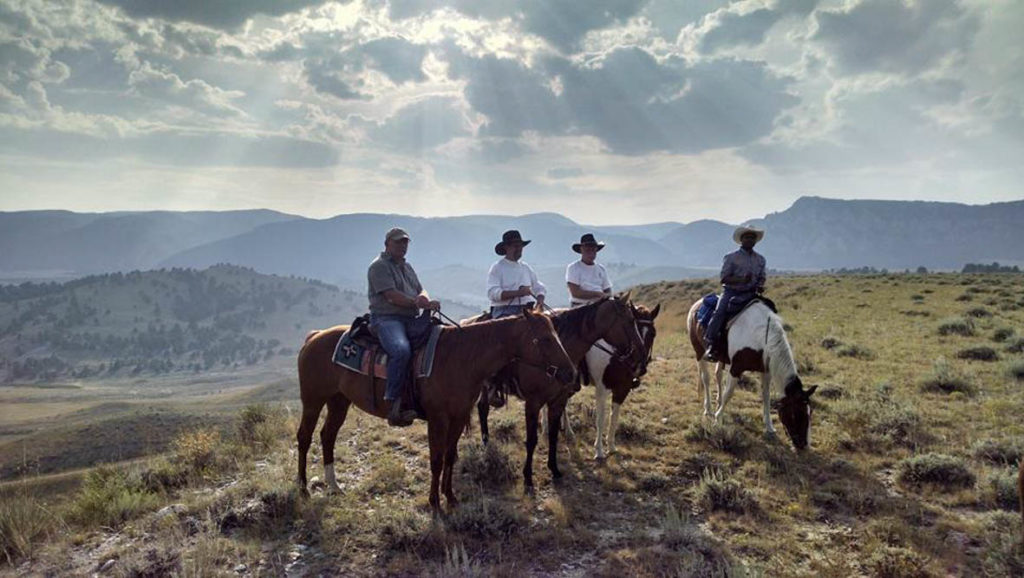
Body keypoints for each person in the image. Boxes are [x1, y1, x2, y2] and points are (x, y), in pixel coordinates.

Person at [367, 227, 440, 427]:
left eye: (405, 242)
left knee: (440, 341)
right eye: (398, 242)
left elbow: (420, 288)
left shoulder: (406, 267)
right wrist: (417, 303)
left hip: (410, 318)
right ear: (387, 244)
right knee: (401, 350)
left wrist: (424, 296)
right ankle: (393, 403)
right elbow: (391, 296)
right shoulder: (379, 266)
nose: (403, 246)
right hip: (387, 319)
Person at [703, 225, 766, 361]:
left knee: (769, 310)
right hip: (731, 292)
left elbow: (762, 277)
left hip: (751, 294)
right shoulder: (731, 257)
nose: (750, 240)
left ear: (755, 241)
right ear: (741, 240)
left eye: (752, 238)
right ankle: (711, 344)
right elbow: (723, 278)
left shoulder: (760, 259)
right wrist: (741, 279)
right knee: (720, 312)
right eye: (747, 237)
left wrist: (760, 285)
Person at [487, 230, 547, 317]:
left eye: (520, 246)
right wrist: (518, 293)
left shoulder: (525, 267)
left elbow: (539, 287)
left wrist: (540, 300)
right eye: (515, 246)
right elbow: (492, 293)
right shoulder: (498, 267)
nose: (519, 249)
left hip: (528, 309)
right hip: (505, 311)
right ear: (506, 247)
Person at [566, 233, 612, 308]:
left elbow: (607, 290)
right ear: (582, 250)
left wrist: (606, 296)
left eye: (593, 250)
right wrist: (597, 294)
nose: (591, 253)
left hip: (599, 306)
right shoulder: (573, 268)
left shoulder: (601, 269)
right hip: (580, 307)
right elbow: (575, 293)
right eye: (587, 250)